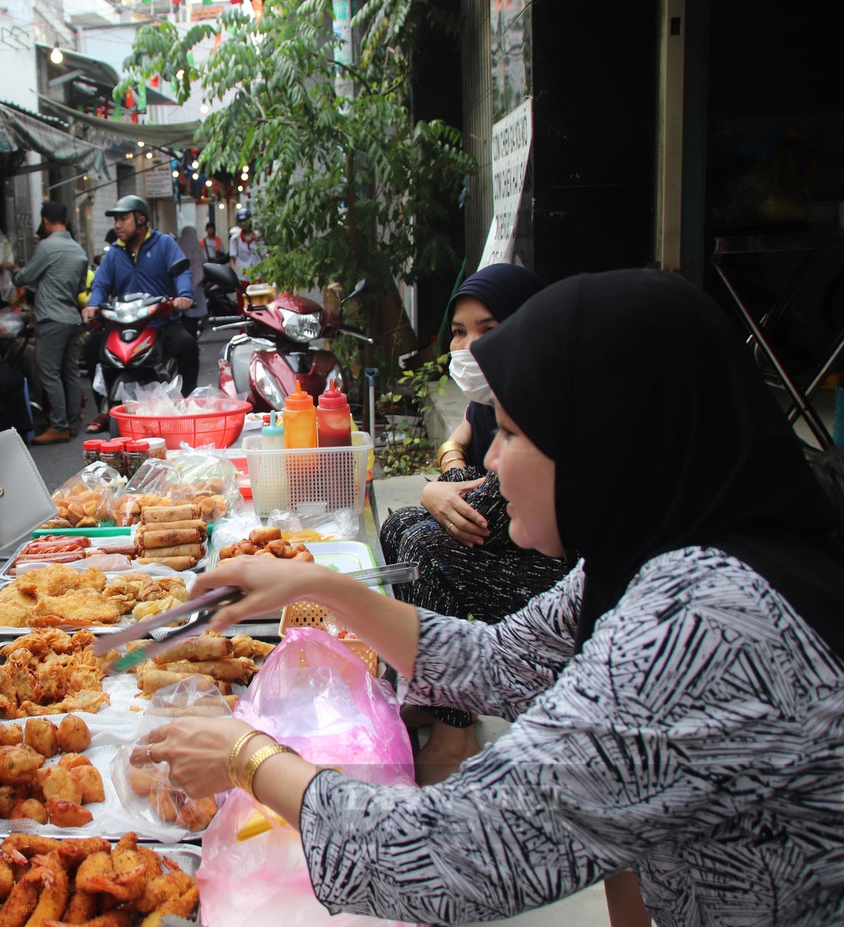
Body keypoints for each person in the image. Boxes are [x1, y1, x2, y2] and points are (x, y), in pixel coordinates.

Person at [137, 269, 844, 926]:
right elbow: (500, 659)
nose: (492, 461)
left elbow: (456, 851)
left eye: (509, 432)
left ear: (602, 440)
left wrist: (248, 757)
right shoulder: (649, 556)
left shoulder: (706, 624)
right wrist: (318, 583)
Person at [378, 263, 572, 783]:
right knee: (402, 529)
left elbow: (485, 507)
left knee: (424, 546)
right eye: (459, 332)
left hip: (551, 570)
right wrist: (444, 473)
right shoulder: (491, 398)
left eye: (489, 329)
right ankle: (432, 694)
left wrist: (438, 488)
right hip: (515, 544)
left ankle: (455, 729)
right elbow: (470, 458)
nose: (469, 347)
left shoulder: (544, 398)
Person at [81, 195, 195, 432]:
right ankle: (104, 408)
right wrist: (93, 305)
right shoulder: (114, 253)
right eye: (116, 220)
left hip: (160, 322)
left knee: (186, 346)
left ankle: (186, 404)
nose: (117, 225)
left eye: (123, 219)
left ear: (141, 220)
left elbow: (181, 272)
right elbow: (101, 284)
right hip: (123, 325)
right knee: (91, 348)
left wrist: (184, 295)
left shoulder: (164, 244)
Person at [7, 201, 89, 444]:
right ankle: (72, 424)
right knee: (71, 373)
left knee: (50, 373)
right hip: (72, 318)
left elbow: (25, 277)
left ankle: (59, 425)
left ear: (45, 220)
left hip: (52, 318)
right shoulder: (78, 250)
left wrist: (13, 271)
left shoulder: (47, 246)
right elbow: (80, 287)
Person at [177, 224, 208, 337]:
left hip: (179, 287)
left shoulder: (177, 247)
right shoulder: (197, 247)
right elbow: (203, 262)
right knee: (193, 316)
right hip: (196, 286)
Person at [228, 206, 264, 279]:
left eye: (245, 221)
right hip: (242, 277)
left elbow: (264, 256)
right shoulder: (235, 239)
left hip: (258, 276)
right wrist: (235, 277)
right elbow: (232, 259)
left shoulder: (258, 236)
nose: (243, 224)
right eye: (240, 222)